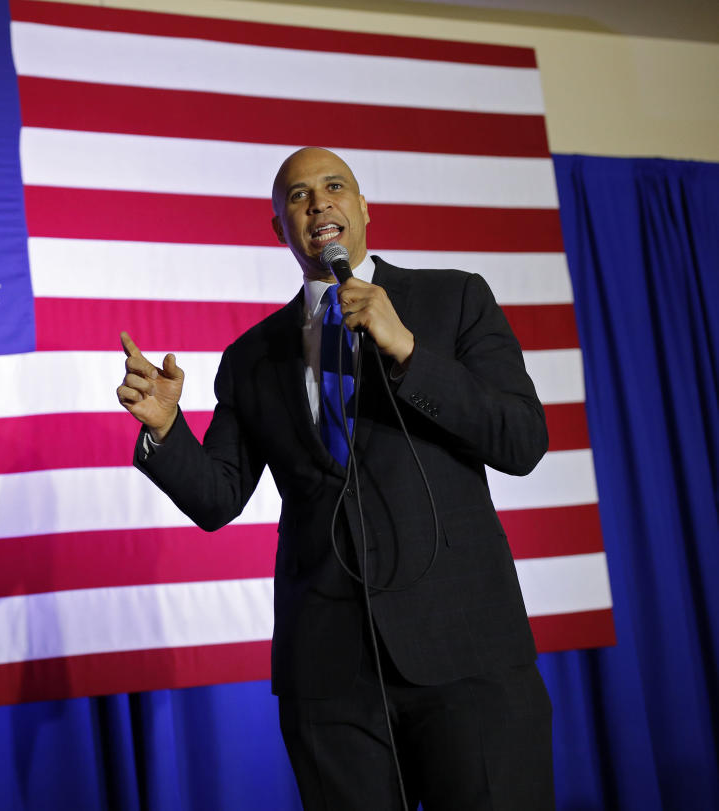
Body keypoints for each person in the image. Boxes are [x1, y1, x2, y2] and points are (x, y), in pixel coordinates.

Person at [116, 147, 554, 809]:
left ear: (363, 208)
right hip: (328, 675)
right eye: (297, 195)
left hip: (465, 655)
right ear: (279, 229)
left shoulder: (453, 298)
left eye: (333, 186)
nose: (318, 202)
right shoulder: (251, 358)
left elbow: (521, 440)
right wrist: (166, 428)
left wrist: (406, 348)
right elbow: (217, 497)